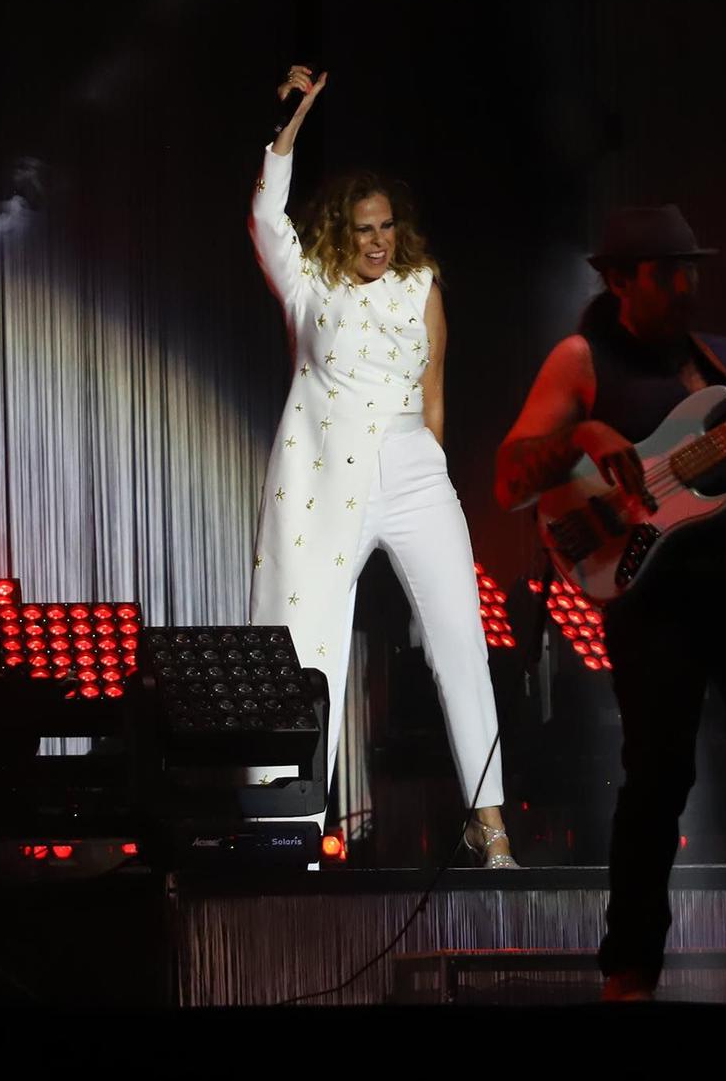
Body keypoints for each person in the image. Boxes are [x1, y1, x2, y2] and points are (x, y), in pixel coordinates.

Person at [493, 204, 726, 998]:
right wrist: (586, 437)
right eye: (666, 272)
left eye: (691, 269)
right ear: (619, 280)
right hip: (655, 597)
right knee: (658, 779)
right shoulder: (583, 360)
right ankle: (630, 971)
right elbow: (510, 477)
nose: (686, 286)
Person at [247, 65, 515, 867]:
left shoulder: (421, 283)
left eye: (387, 227)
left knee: (460, 637)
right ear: (340, 231)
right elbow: (266, 213)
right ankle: (283, 826)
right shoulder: (309, 284)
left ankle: (489, 822)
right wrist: (292, 124)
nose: (376, 241)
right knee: (304, 642)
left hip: (411, 467)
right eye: (363, 228)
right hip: (323, 475)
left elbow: (434, 385)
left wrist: (429, 462)